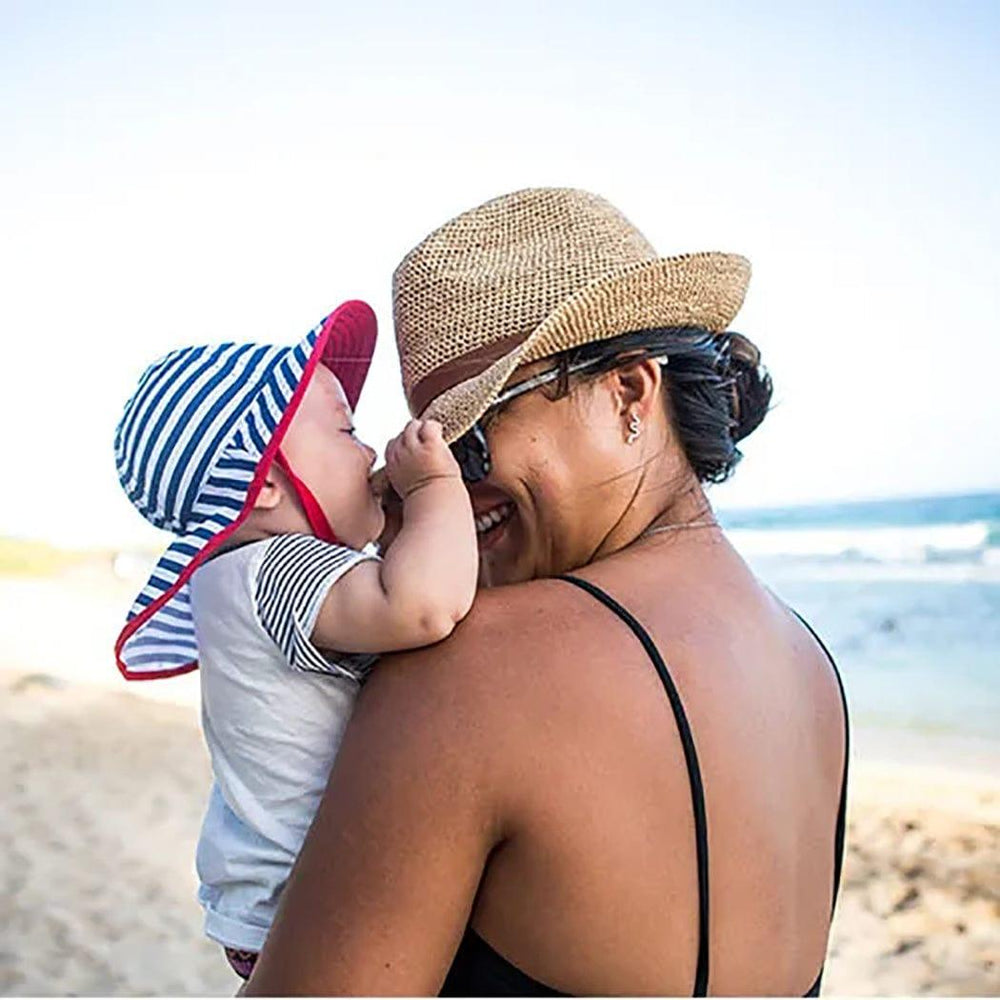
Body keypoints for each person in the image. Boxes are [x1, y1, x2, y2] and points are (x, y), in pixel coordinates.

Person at [245, 188, 849, 997]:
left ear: (629, 392)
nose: (450, 484)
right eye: (433, 448)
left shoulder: (478, 671)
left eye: (469, 437)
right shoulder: (810, 662)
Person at [112, 301, 477, 979]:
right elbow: (424, 606)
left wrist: (397, 533)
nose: (369, 451)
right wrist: (434, 488)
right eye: (345, 431)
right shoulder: (280, 567)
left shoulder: (239, 579)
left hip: (262, 906)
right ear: (265, 487)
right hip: (307, 902)